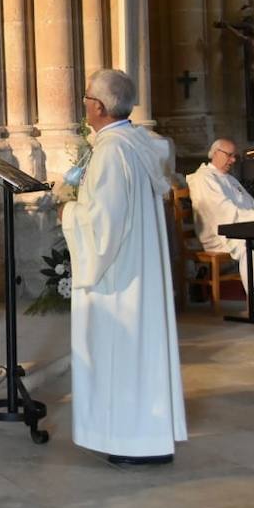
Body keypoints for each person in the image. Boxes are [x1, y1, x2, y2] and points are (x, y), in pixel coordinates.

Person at [60, 68, 186, 465]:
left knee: (123, 351)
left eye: (86, 99)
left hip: (120, 277)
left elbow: (104, 226)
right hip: (138, 266)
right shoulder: (137, 141)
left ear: (98, 106)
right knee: (140, 352)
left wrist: (68, 211)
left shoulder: (112, 151)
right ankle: (147, 437)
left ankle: (131, 440)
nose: (84, 105)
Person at [187, 138, 254, 315]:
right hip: (219, 234)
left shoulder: (230, 179)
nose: (233, 160)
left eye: (235, 156)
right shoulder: (203, 178)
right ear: (215, 153)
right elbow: (221, 209)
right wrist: (253, 216)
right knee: (248, 245)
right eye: (229, 155)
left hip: (241, 227)